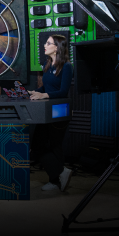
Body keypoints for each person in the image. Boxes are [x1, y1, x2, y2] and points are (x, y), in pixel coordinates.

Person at [28, 34, 73, 192]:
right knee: (38, 146)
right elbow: (46, 88)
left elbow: (63, 91)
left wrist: (44, 95)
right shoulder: (47, 65)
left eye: (48, 43)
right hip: (46, 112)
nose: (44, 45)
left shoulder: (66, 66)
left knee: (55, 146)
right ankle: (60, 174)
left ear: (57, 47)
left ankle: (56, 181)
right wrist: (34, 92)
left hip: (58, 112)